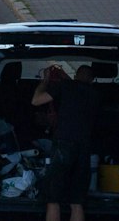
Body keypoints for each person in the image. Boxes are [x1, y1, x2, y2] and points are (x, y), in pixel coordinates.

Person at [28, 64, 98, 221]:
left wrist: (45, 80)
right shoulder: (95, 94)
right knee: (77, 202)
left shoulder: (65, 87)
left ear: (76, 76)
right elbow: (79, 87)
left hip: (63, 147)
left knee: (53, 200)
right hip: (84, 150)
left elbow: (36, 100)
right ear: (92, 80)